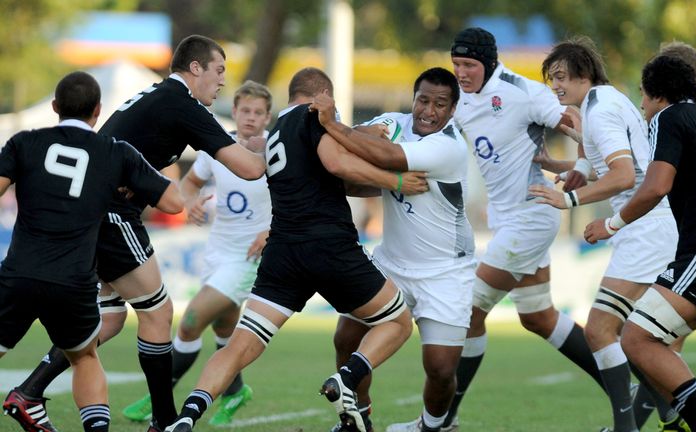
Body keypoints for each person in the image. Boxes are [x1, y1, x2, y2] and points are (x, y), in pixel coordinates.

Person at [4, 34, 268, 432]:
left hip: (90, 216)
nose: (221, 81)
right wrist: (281, 148)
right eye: (218, 71)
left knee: (107, 322)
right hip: (113, 216)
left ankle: (29, 391)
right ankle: (163, 420)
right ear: (195, 68)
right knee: (158, 312)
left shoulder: (157, 96)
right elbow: (249, 168)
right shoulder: (184, 105)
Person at [163, 67, 429, 432]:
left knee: (239, 346)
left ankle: (187, 415)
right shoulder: (315, 116)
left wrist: (363, 134)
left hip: (283, 253)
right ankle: (346, 378)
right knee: (397, 321)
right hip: (328, 246)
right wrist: (394, 181)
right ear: (322, 95)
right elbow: (336, 162)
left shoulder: (275, 133)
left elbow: (330, 169)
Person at [584, 55, 696, 432]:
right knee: (655, 339)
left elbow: (656, 186)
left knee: (635, 337)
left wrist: (611, 224)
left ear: (656, 93)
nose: (642, 107)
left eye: (643, 97)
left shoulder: (669, 118)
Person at [0, 71, 184, 432]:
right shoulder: (115, 152)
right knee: (84, 358)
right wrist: (128, 181)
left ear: (54, 107)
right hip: (74, 282)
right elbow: (174, 203)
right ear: (98, 111)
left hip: (19, 272)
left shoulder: (24, 143)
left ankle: (29, 398)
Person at [441, 27, 603, 430]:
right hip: (509, 221)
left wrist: (583, 164)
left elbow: (580, 122)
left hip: (531, 217)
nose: (461, 72)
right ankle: (626, 384)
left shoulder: (521, 91)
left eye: (469, 65)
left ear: (489, 62)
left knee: (467, 312)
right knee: (538, 317)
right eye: (456, 64)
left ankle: (443, 418)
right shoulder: (461, 99)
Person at [529, 36, 678, 432]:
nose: (555, 86)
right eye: (551, 79)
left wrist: (570, 201)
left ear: (584, 74)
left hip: (645, 229)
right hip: (650, 226)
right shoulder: (610, 101)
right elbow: (618, 163)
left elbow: (625, 175)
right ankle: (672, 410)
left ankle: (630, 425)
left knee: (600, 330)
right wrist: (561, 163)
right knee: (636, 338)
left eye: (560, 76)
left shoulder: (600, 111)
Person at [314, 67, 474, 432]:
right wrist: (357, 136)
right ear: (413, 98)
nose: (429, 111)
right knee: (345, 338)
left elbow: (386, 158)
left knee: (440, 367)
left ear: (452, 111)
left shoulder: (449, 146)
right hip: (391, 264)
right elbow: (360, 141)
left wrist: (332, 124)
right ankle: (359, 419)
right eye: (423, 100)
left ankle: (433, 426)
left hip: (446, 273)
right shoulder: (396, 121)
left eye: (440, 104)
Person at [121, 80, 274, 426]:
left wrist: (270, 231)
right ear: (234, 111)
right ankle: (235, 391)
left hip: (248, 256)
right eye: (245, 110)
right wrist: (189, 205)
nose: (250, 117)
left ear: (268, 118)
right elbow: (188, 185)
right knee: (223, 326)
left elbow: (295, 198)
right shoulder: (216, 149)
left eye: (258, 112)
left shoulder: (272, 154)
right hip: (217, 249)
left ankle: (159, 396)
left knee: (190, 322)